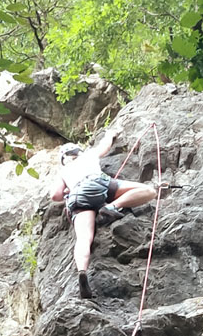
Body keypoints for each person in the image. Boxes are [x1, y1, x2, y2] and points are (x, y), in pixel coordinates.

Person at [49, 128, 156, 298]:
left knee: (84, 238)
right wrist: (110, 134)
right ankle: (113, 206)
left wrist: (68, 190)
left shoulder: (63, 171)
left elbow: (55, 195)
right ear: (78, 151)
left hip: (77, 195)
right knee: (149, 191)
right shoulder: (88, 155)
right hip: (97, 183)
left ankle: (82, 271)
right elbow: (105, 146)